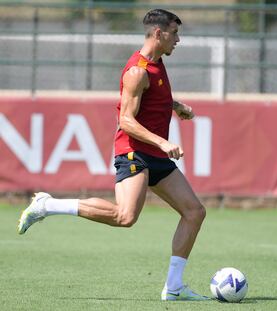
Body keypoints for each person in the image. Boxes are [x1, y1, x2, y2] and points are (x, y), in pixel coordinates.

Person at [17, 9, 209, 302]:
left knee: (194, 212)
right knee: (124, 216)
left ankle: (174, 287)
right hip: (134, 153)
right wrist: (163, 142)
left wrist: (175, 105)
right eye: (174, 33)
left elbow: (152, 98)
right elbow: (127, 120)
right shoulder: (137, 71)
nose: (178, 40)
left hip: (154, 156)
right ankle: (47, 204)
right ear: (158, 34)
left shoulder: (157, 65)